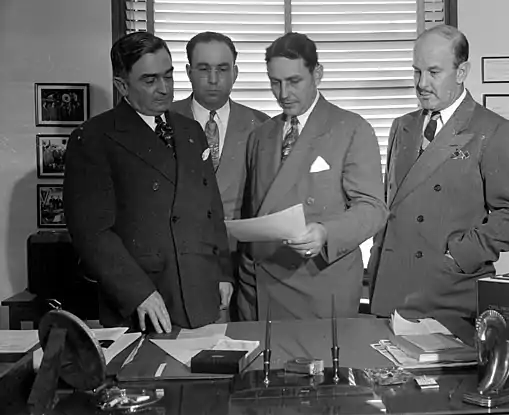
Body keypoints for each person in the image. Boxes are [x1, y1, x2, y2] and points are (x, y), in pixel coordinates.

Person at [63, 32, 234, 333]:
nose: (164, 89)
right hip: (145, 300)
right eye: (150, 80)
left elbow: (211, 210)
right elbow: (92, 233)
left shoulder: (191, 131)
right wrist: (137, 292)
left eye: (168, 76)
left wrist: (222, 272)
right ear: (122, 85)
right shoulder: (93, 139)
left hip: (201, 291)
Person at [369, 25, 509, 334]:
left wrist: (458, 256)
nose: (421, 84)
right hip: (389, 288)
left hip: (446, 292)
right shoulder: (402, 127)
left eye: (433, 72)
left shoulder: (496, 131)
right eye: (416, 71)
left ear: (461, 72)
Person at [238, 32, 388, 321]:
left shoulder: (352, 129)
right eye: (275, 82)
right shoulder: (261, 135)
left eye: (294, 81)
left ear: (317, 74)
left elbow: (373, 209)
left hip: (318, 286)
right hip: (259, 286)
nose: (283, 93)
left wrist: (325, 232)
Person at [171, 32, 269, 222]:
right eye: (204, 69)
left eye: (222, 69)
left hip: (237, 238)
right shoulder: (164, 121)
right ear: (189, 72)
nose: (213, 79)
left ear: (235, 73)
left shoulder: (261, 125)